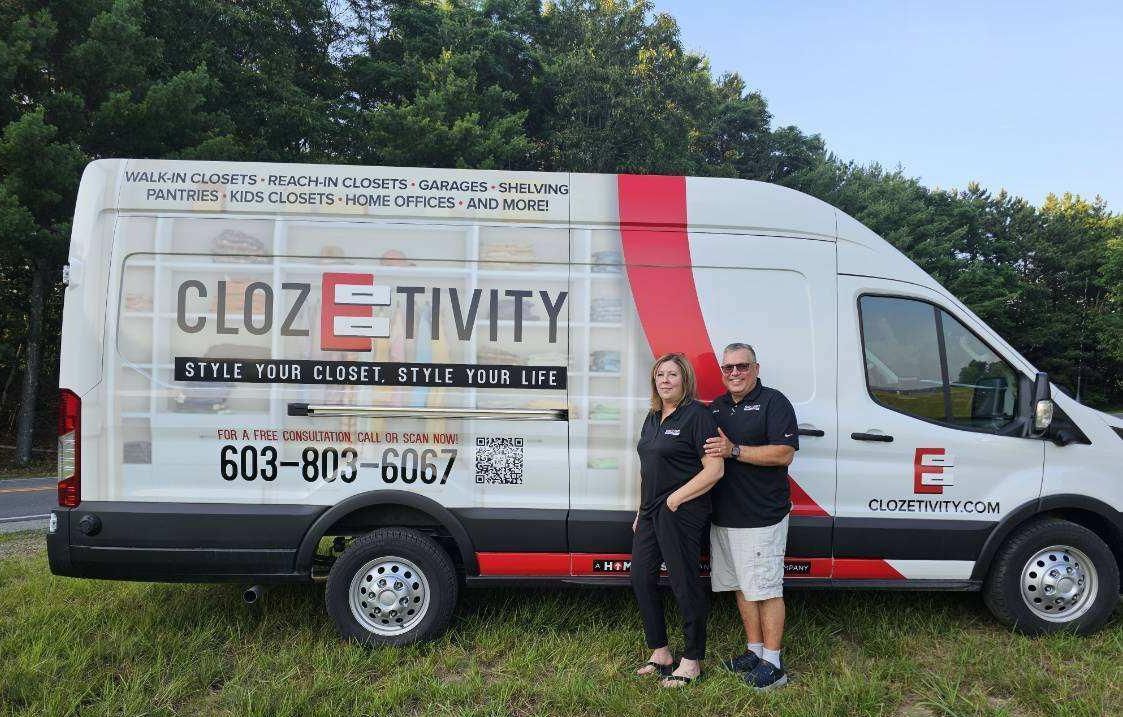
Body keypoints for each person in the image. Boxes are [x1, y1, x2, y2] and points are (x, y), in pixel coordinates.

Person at [703, 343, 799, 691]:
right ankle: (754, 650)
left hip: (762, 515)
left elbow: (784, 453)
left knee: (766, 588)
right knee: (742, 586)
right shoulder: (716, 408)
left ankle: (774, 662)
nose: (735, 373)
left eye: (741, 366)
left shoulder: (774, 402)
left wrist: (735, 450)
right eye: (728, 368)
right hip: (724, 515)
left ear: (756, 368)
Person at [631, 352, 724, 687]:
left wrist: (675, 499)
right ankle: (660, 652)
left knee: (684, 583)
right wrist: (641, 510)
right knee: (641, 577)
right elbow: (647, 468)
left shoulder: (697, 415)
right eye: (659, 375)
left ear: (684, 380)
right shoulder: (653, 416)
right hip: (652, 510)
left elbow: (715, 470)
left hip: (682, 511)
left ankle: (692, 659)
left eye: (672, 374)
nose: (665, 380)